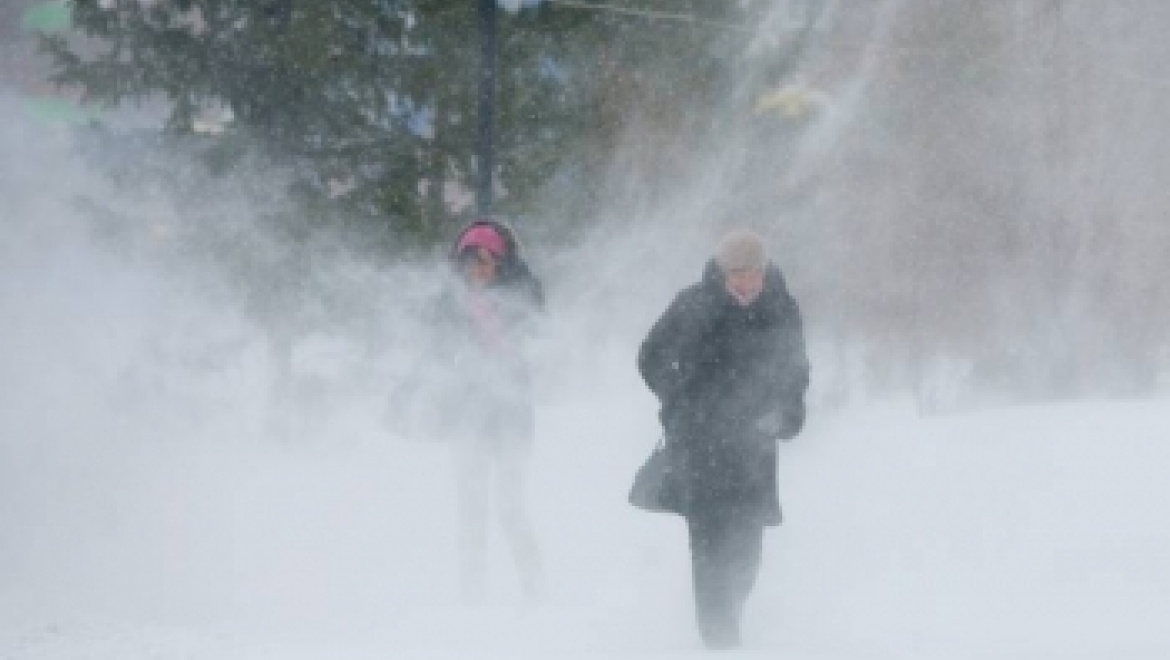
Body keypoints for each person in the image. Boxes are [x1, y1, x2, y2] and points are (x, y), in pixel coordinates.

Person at [636, 228, 809, 649]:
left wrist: (787, 414)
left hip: (754, 448)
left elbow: (796, 370)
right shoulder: (693, 304)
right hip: (701, 446)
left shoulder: (781, 308)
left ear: (764, 272)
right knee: (709, 551)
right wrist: (679, 399)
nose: (746, 283)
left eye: (753, 274)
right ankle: (720, 643)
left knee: (748, 556)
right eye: (737, 275)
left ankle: (728, 627)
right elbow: (649, 355)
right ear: (722, 273)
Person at [431, 218, 545, 603]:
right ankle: (472, 594)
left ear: (502, 263)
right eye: (471, 262)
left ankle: (534, 589)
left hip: (511, 418)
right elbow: (438, 352)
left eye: (487, 261)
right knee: (471, 508)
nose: (478, 270)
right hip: (468, 418)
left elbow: (541, 331)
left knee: (511, 507)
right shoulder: (450, 302)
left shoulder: (520, 294)